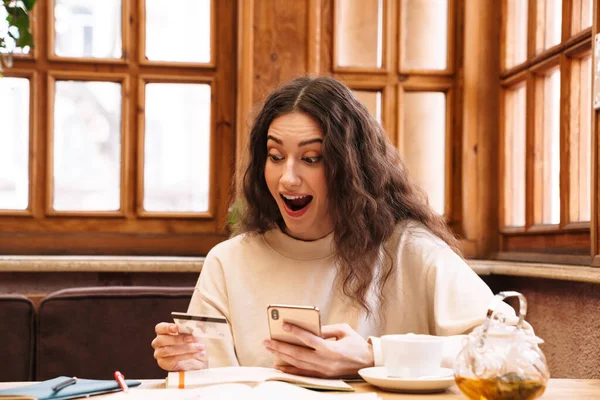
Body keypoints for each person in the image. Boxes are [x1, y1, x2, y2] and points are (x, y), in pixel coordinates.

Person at [151, 75, 514, 378]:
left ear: (352, 168)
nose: (287, 178)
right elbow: (214, 381)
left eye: (311, 159)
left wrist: (375, 355)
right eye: (275, 157)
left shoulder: (408, 250)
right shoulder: (228, 261)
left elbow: (510, 351)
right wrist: (191, 367)